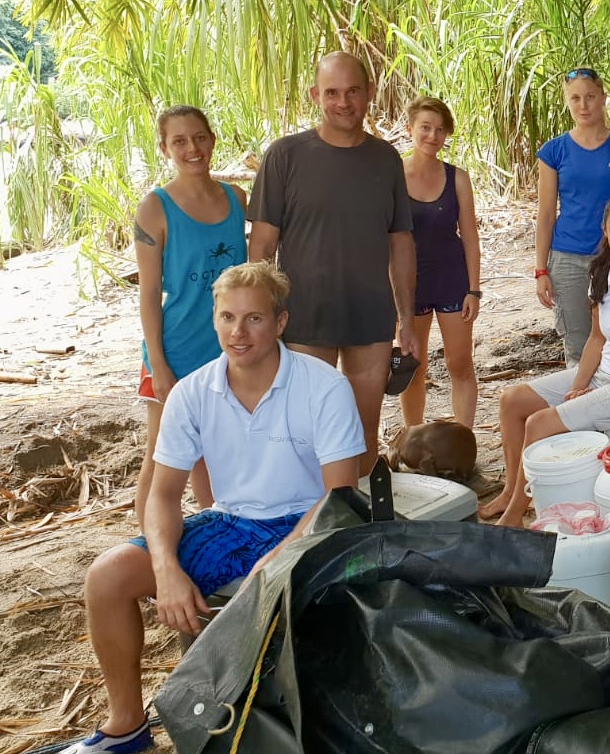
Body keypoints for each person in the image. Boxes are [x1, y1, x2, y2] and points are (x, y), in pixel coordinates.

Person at [60, 262, 364, 754]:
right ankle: (128, 725)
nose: (238, 333)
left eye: (254, 319)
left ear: (281, 322)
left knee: (276, 589)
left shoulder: (324, 387)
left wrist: (276, 561)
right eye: (226, 317)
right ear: (214, 319)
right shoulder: (192, 392)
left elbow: (338, 496)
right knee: (108, 576)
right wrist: (166, 570)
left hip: (311, 524)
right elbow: (161, 496)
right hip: (230, 521)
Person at [249, 51, 418, 474]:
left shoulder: (386, 159)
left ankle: (358, 526)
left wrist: (406, 320)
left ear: (370, 94)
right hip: (304, 316)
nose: (343, 102)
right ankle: (310, 527)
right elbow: (262, 245)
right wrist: (257, 316)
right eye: (332, 93)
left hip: (369, 316)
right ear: (315, 96)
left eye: (353, 91)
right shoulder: (285, 156)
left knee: (363, 429)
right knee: (305, 431)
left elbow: (400, 242)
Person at [489, 194, 610, 526]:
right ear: (605, 230)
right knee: (513, 401)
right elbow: (596, 339)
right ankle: (511, 490)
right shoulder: (602, 271)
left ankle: (514, 516)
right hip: (603, 374)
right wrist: (578, 387)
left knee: (539, 423)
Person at [133, 106, 247, 528]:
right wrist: (158, 365)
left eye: (199, 137)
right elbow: (147, 295)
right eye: (179, 141)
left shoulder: (236, 198)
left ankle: (215, 531)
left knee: (215, 447)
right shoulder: (155, 208)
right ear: (164, 148)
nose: (192, 148)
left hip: (230, 347)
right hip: (177, 348)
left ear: (212, 139)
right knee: (162, 451)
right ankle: (146, 547)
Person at [535, 67, 610, 364]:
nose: (583, 106)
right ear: (567, 102)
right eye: (575, 99)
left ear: (603, 99)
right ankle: (577, 404)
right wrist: (540, 270)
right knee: (577, 346)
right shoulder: (553, 151)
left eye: (589, 97)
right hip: (567, 258)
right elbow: (546, 214)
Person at [399, 96, 481, 428]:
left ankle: (464, 439)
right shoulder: (393, 175)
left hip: (452, 278)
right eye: (425, 128)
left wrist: (474, 290)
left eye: (439, 129)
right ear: (410, 129)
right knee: (413, 367)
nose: (432, 136)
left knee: (459, 363)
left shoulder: (458, 177)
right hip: (410, 283)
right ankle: (413, 438)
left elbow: (471, 237)